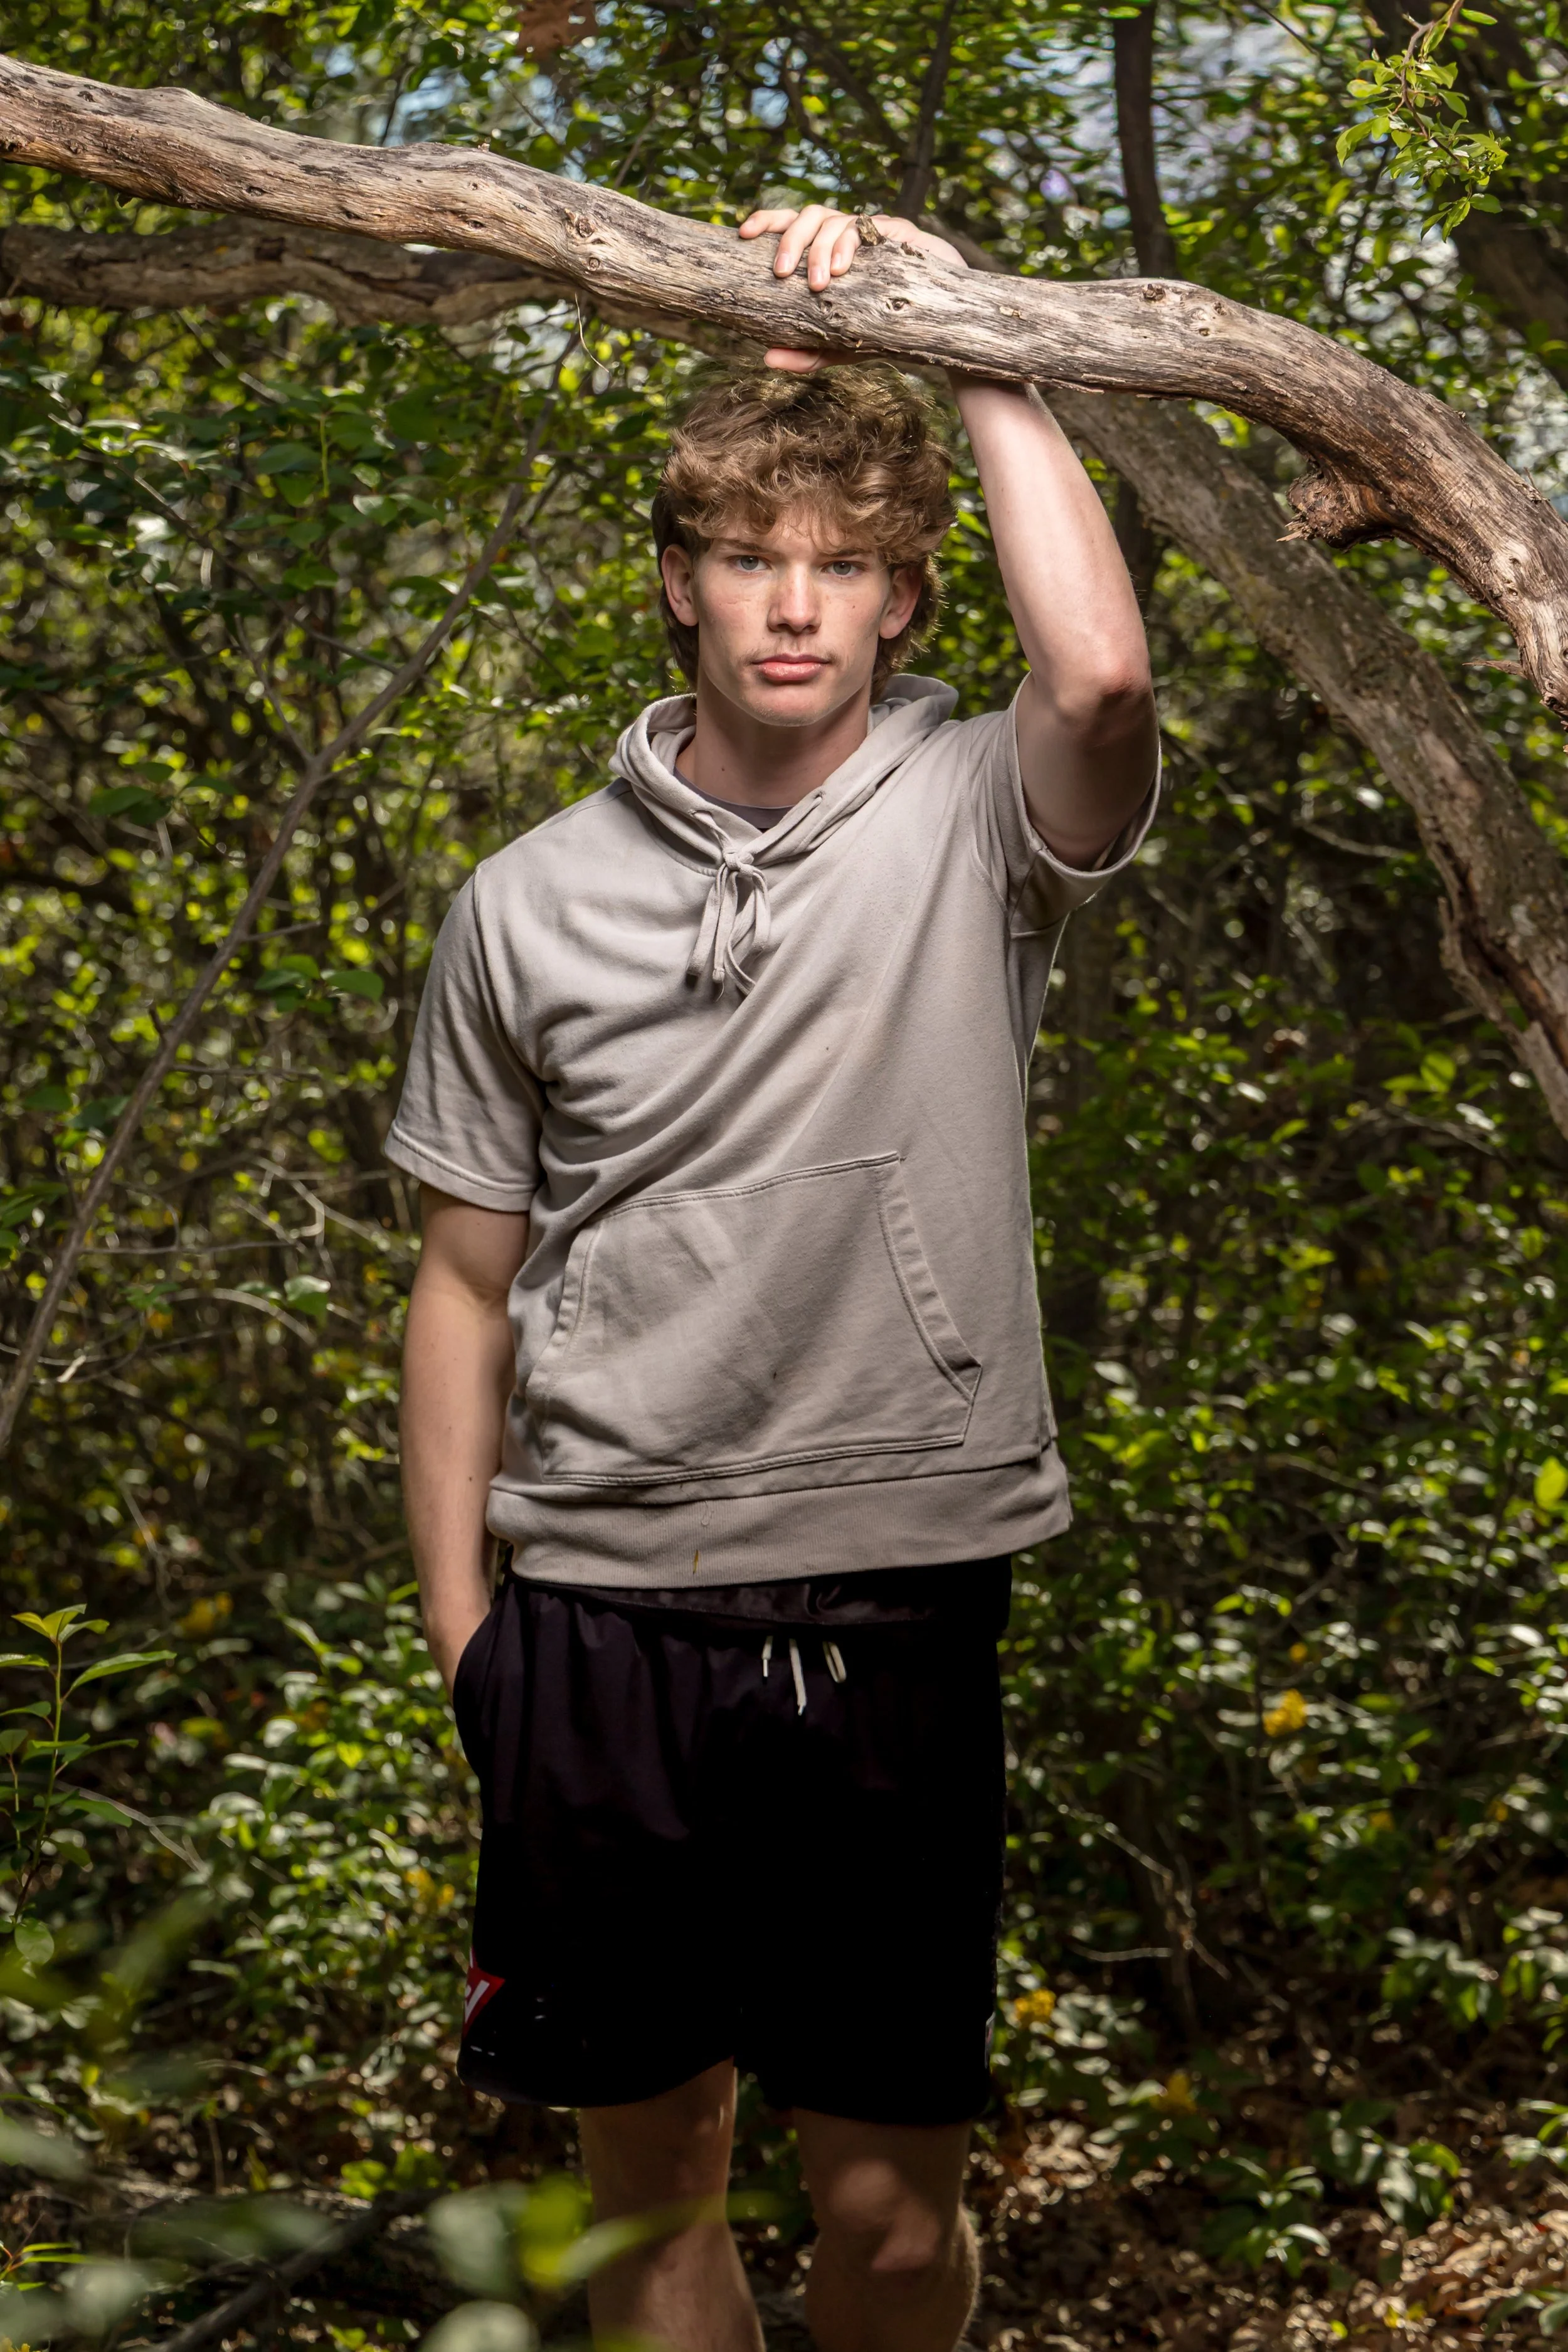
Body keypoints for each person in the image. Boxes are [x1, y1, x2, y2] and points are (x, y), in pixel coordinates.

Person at [389, 200, 1159, 2352]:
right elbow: (463, 1282)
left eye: (840, 562)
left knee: (890, 2221)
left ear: (908, 594)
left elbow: (1099, 676)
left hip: (891, 1592)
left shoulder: (971, 812)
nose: (792, 600)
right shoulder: (526, 902)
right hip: (595, 1613)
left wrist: (964, 324)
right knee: (654, 2205)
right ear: (679, 580)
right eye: (746, 554)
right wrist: (468, 1637)